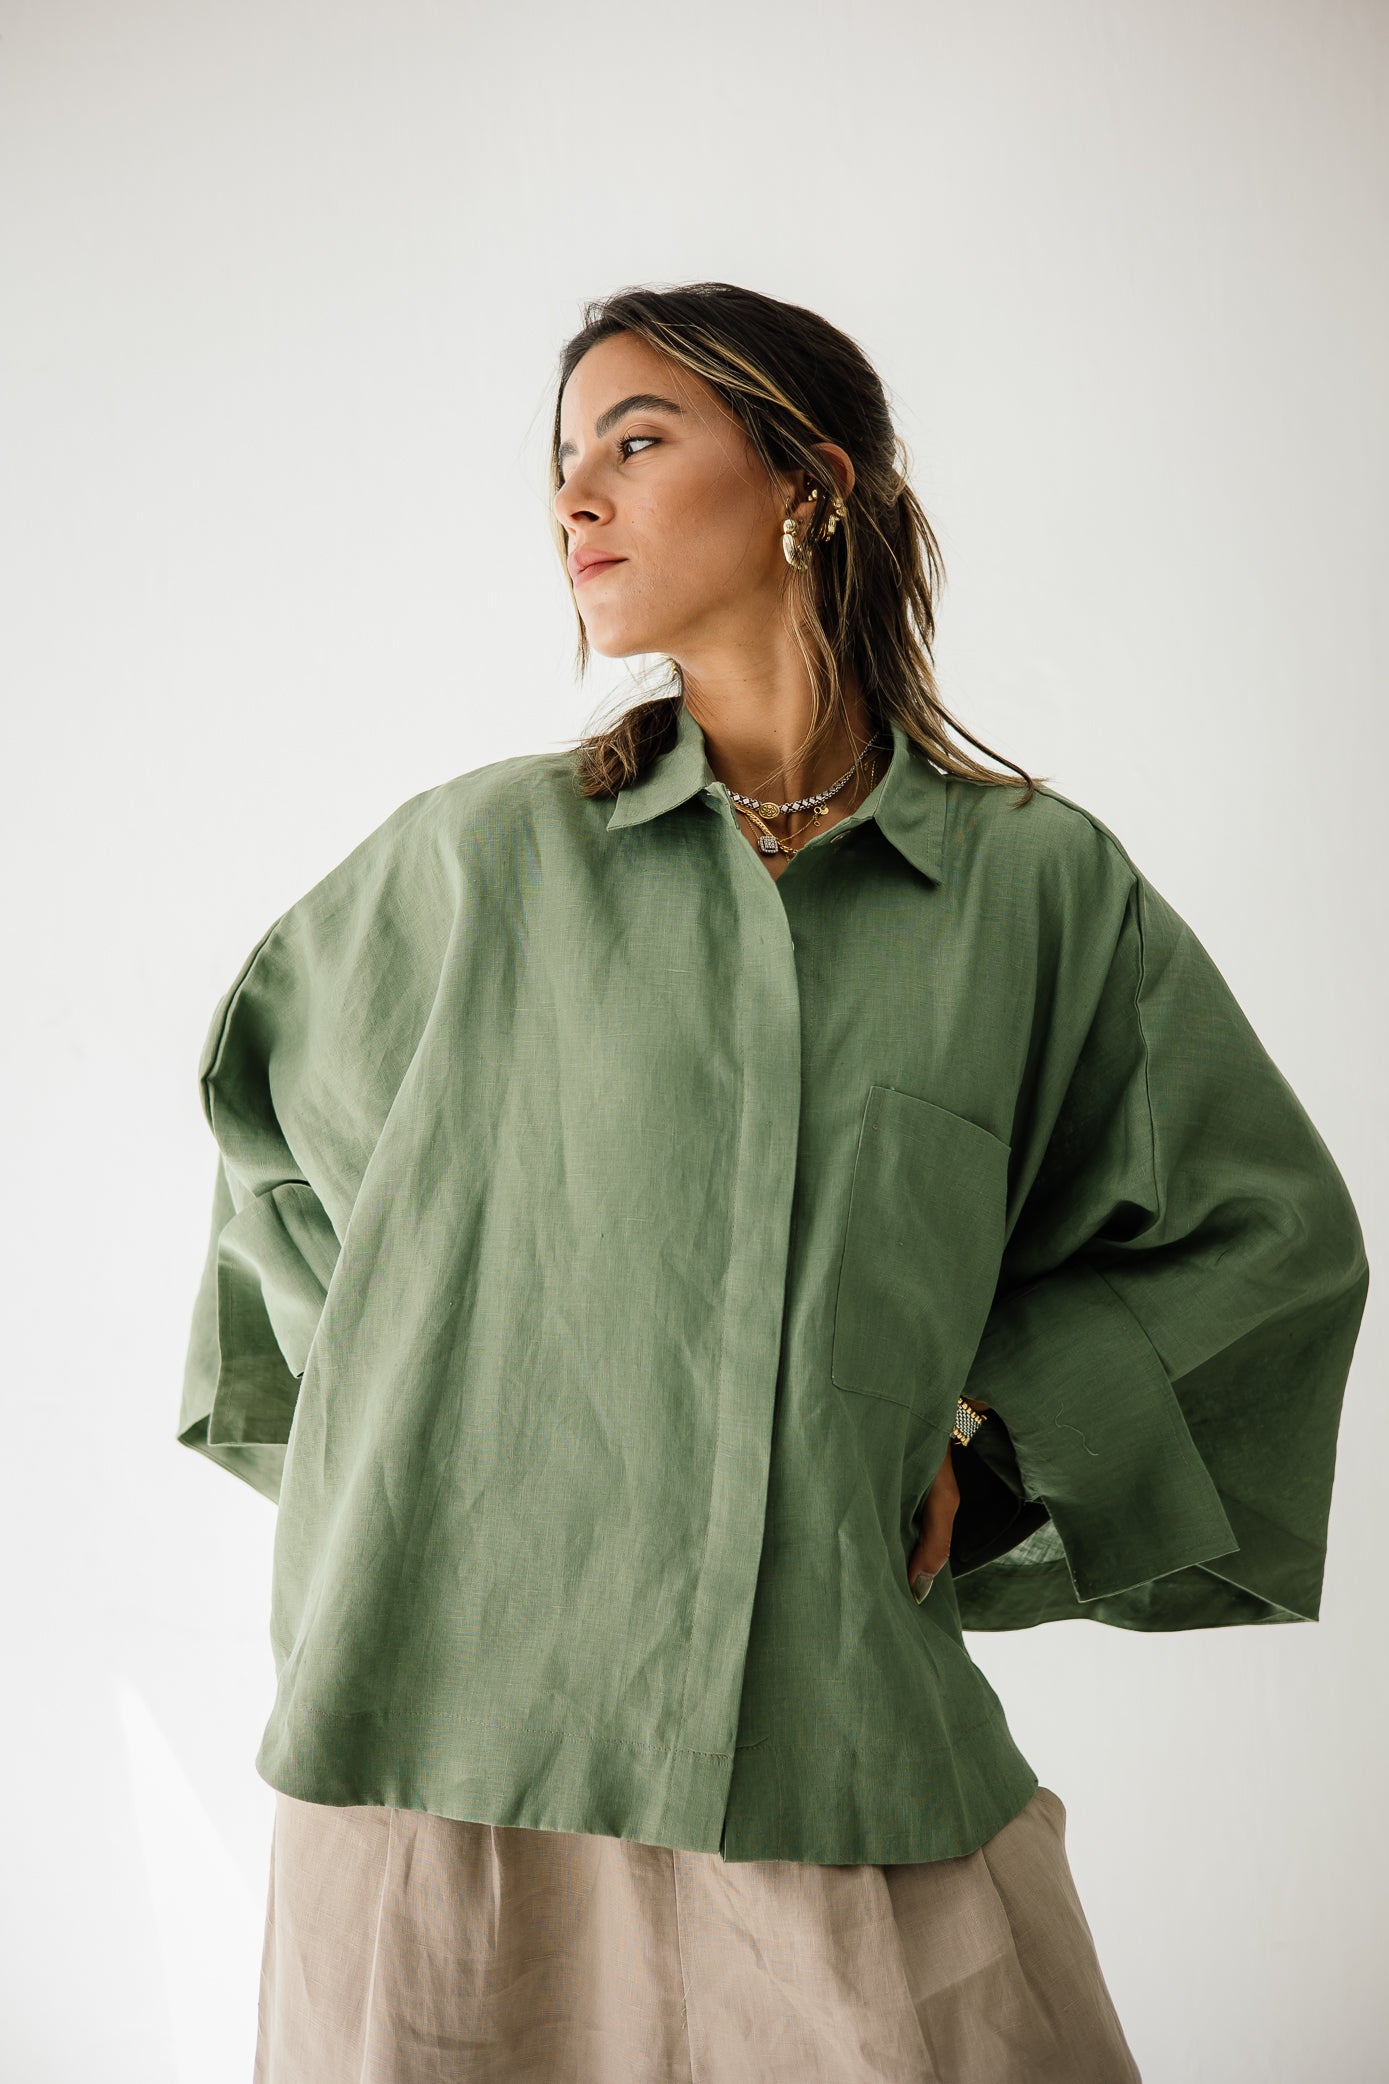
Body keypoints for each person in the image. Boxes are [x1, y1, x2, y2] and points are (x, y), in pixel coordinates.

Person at [179, 282, 1369, 2083]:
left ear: (807, 481)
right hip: (447, 1757)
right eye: (562, 458)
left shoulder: (1035, 894)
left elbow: (1261, 1238)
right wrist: (418, 1452)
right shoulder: (482, 863)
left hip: (835, 1742)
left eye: (636, 440)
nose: (573, 497)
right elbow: (272, 1152)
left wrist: (996, 1433)